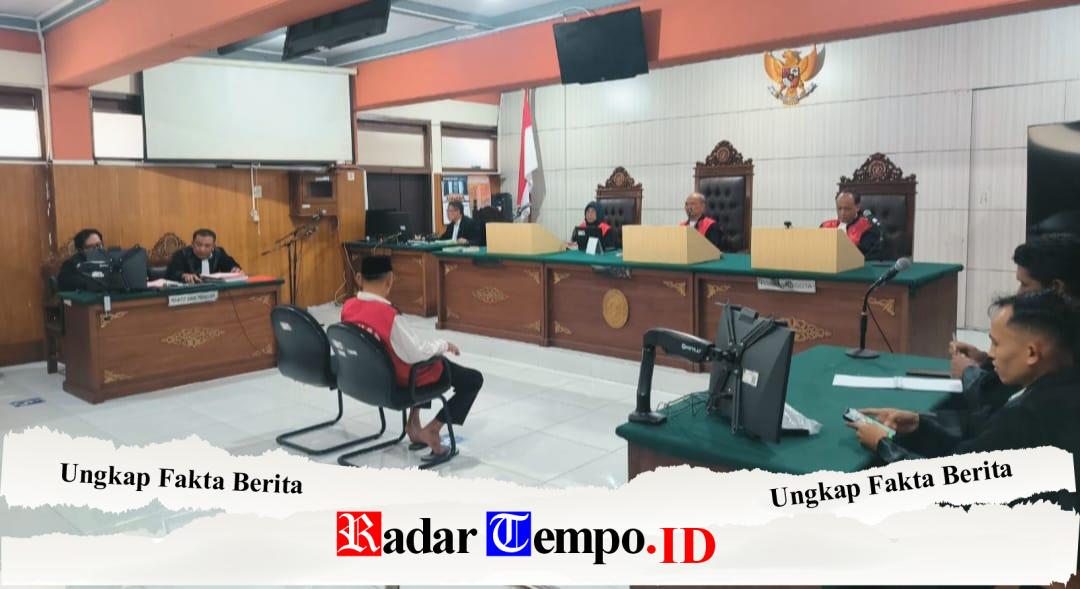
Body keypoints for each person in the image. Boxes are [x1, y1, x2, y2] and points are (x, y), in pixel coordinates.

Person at [847, 289, 1080, 484]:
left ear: (1032, 353)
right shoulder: (1059, 385)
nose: (990, 354)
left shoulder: (1027, 417)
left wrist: (883, 446)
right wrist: (920, 423)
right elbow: (983, 426)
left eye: (996, 344)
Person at [341, 255, 483, 460]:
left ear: (359, 278)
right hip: (398, 382)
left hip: (366, 379)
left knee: (420, 359)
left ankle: (414, 425)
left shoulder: (348, 307)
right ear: (390, 279)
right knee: (470, 378)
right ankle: (433, 429)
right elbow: (417, 353)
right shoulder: (389, 316)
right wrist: (443, 345)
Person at [948, 234, 1080, 415]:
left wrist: (967, 372)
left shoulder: (1062, 339)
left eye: (1025, 285)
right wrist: (986, 360)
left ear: (1056, 288)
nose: (1018, 294)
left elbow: (993, 395)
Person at [820, 190, 884, 260]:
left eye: (847, 209)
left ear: (857, 207)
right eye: (839, 208)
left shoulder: (868, 228)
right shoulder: (825, 226)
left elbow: (867, 256)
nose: (842, 213)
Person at [165, 228, 243, 284]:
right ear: (192, 244)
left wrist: (235, 269)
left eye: (207, 246)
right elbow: (171, 274)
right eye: (199, 245)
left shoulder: (219, 253)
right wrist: (183, 275)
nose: (202, 249)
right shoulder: (182, 254)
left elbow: (231, 265)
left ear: (213, 247)